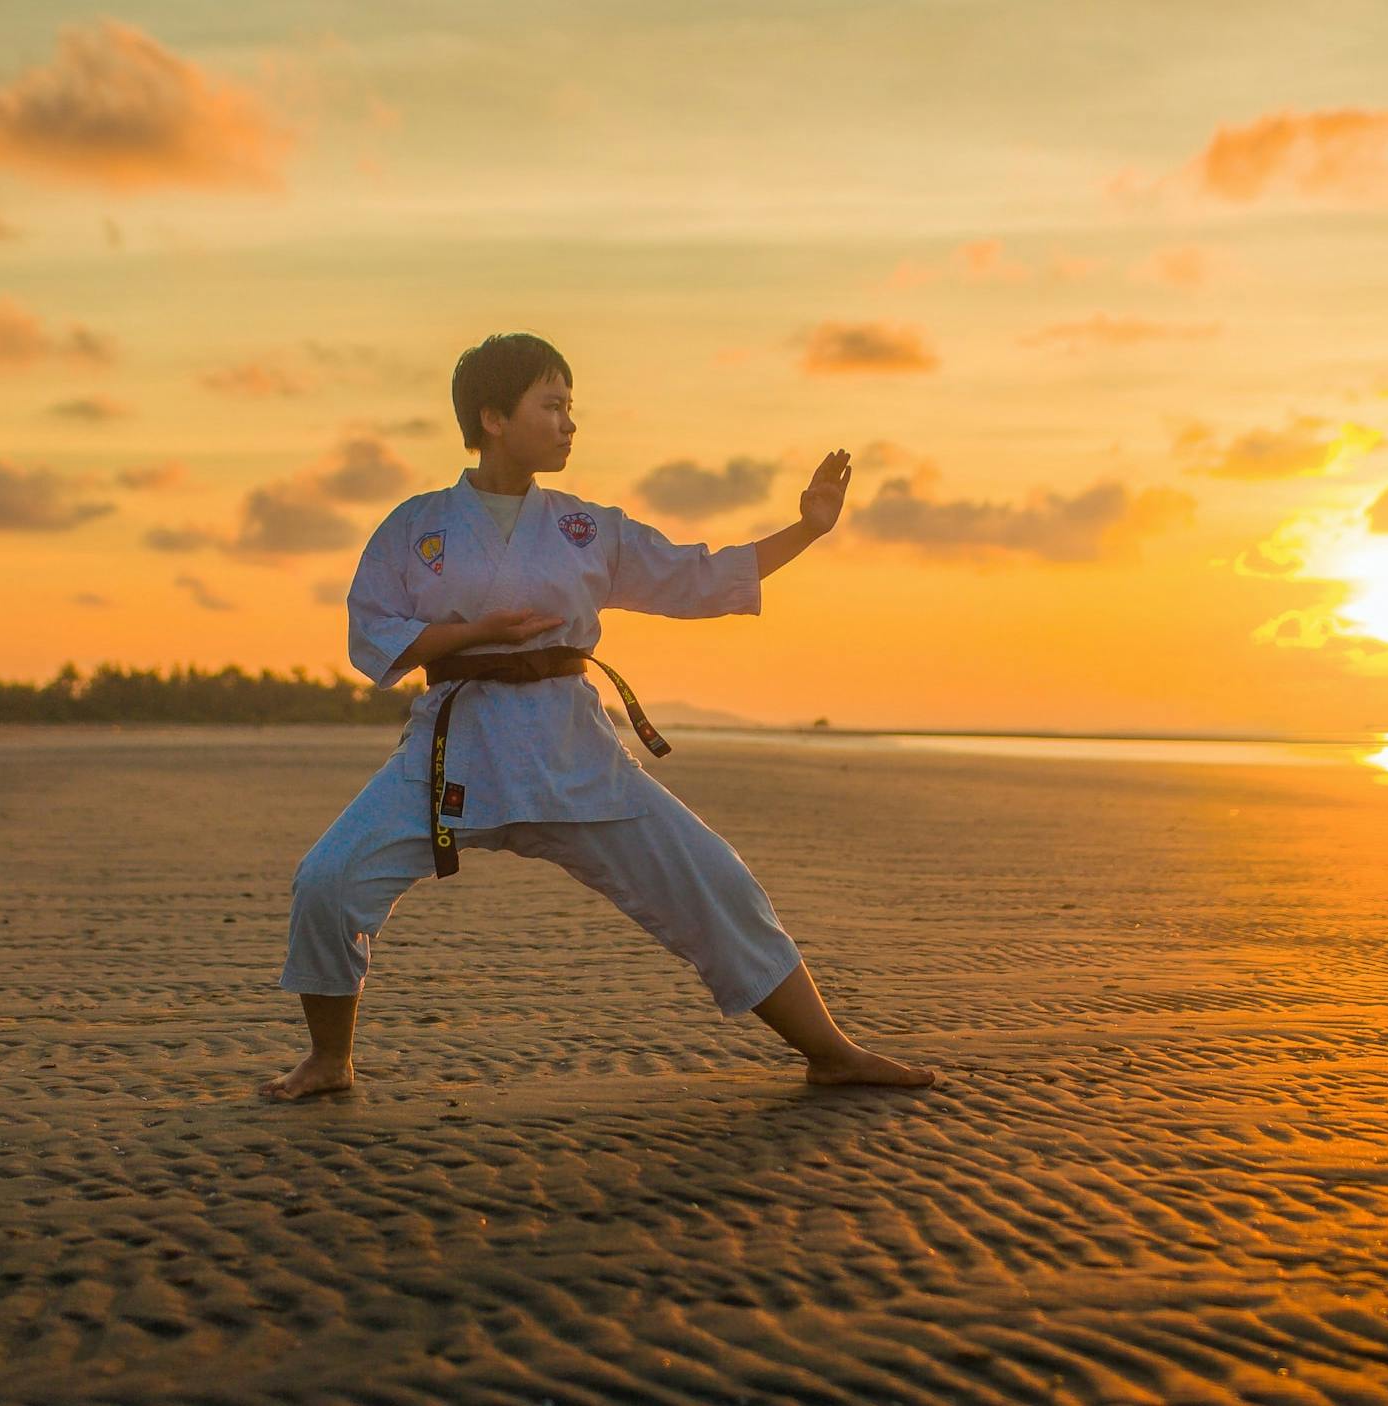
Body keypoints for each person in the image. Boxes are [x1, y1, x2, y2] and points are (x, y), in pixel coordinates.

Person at [261, 332, 936, 1100]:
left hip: (572, 751)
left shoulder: (587, 528)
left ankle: (831, 1050)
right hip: (455, 748)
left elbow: (699, 579)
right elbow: (370, 630)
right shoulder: (416, 528)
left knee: (713, 880)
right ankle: (329, 1059)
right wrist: (474, 634)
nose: (569, 422)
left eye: (570, 406)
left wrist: (808, 529)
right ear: (492, 417)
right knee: (329, 879)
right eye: (551, 405)